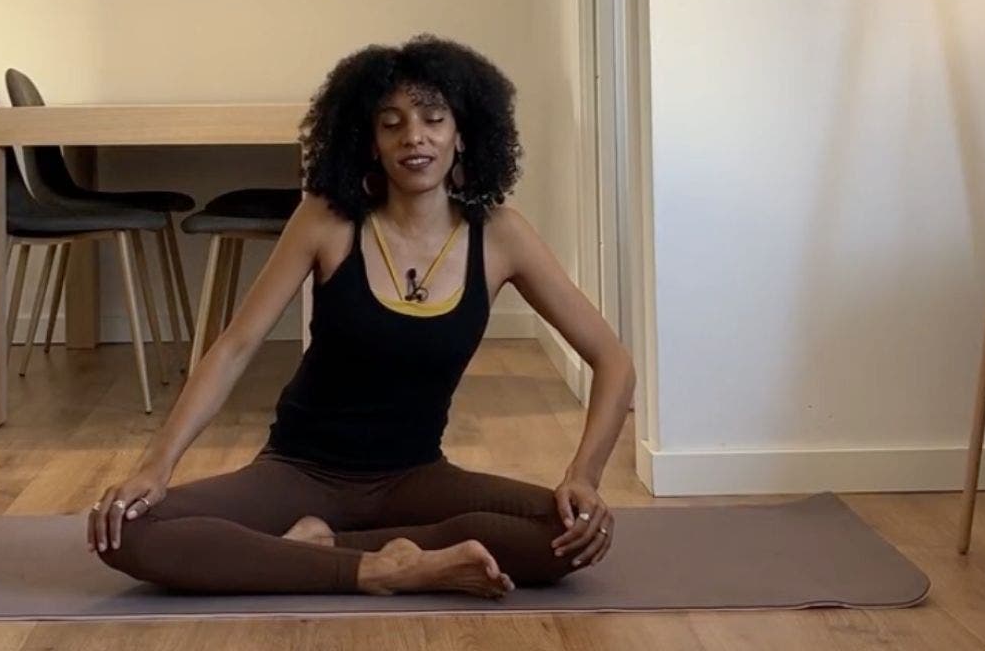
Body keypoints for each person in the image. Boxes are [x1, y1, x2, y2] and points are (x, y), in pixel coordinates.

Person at [88, 35, 635, 598]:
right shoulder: (327, 221)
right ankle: (385, 566)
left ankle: (325, 547)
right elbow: (234, 348)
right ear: (370, 142)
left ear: (462, 134)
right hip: (300, 471)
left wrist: (584, 477)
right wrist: (155, 466)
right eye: (391, 123)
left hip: (415, 477)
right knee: (126, 533)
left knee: (571, 533)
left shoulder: (501, 236)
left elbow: (612, 359)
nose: (413, 137)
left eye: (433, 119)